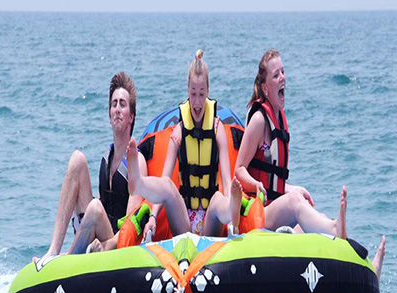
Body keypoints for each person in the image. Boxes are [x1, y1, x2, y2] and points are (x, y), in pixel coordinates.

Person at [34, 71, 146, 264]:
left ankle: (66, 262)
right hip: (98, 236)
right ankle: (53, 251)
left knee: (95, 208)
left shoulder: (137, 161)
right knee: (78, 160)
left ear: (131, 117)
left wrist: (106, 245)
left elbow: (131, 228)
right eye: (114, 104)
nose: (117, 109)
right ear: (109, 116)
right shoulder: (107, 156)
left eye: (123, 104)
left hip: (118, 248)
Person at [235, 49, 347, 238]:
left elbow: (272, 182)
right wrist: (255, 185)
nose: (282, 78)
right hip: (256, 212)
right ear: (265, 88)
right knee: (295, 202)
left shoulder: (278, 119)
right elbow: (239, 170)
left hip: (272, 207)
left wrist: (291, 188)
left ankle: (342, 243)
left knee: (313, 216)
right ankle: (336, 229)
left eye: (283, 72)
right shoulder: (259, 120)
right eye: (276, 75)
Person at [134, 49, 242, 241]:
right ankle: (139, 183)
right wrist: (152, 217)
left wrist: (230, 196)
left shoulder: (218, 129)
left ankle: (232, 212)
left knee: (218, 199)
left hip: (211, 219)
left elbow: (226, 180)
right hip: (184, 222)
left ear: (208, 92)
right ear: (188, 92)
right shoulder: (178, 132)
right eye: (193, 94)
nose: (198, 101)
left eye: (201, 94)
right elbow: (164, 180)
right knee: (167, 186)